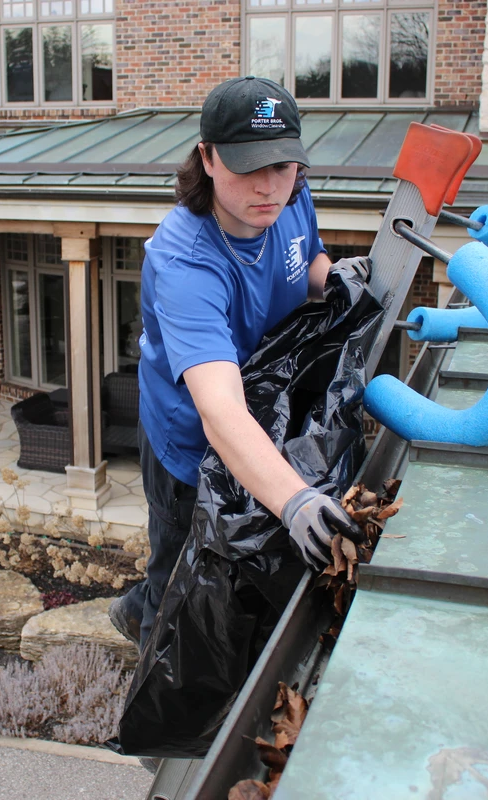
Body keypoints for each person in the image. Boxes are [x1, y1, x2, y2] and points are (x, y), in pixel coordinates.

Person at [109, 76, 367, 651]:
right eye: (249, 167)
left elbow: (309, 257)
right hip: (189, 444)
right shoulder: (185, 261)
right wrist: (295, 499)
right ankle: (150, 705)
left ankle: (138, 606)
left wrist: (335, 279)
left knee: (223, 570)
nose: (270, 187)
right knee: (176, 578)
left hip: (258, 413)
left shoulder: (290, 195)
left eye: (283, 165)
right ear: (207, 157)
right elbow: (218, 409)